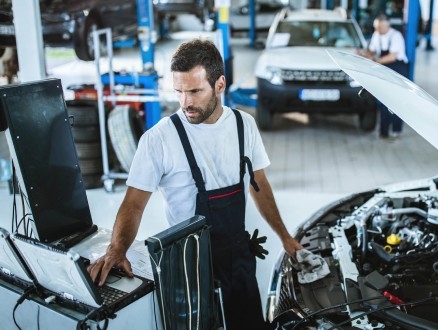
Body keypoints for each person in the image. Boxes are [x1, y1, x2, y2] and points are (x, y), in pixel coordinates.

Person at [87, 38, 303, 329]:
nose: (185, 102)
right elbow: (134, 204)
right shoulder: (160, 139)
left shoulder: (244, 125)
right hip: (188, 268)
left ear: (220, 85)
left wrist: (286, 238)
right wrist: (117, 248)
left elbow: (258, 184)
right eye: (178, 91)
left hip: (238, 256)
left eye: (194, 91)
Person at [358, 14, 409, 140]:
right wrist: (363, 53)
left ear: (387, 26)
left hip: (398, 69)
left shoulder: (396, 36)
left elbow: (392, 56)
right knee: (384, 100)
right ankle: (383, 132)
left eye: (379, 27)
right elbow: (372, 51)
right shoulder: (377, 35)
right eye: (376, 28)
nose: (377, 30)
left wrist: (376, 60)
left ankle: (396, 130)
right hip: (384, 69)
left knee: (396, 101)